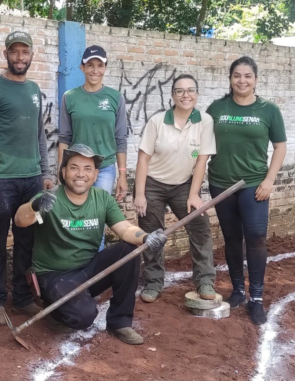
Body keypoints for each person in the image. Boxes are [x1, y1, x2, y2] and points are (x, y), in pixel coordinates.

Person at [14, 144, 167, 345]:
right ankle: (56, 309)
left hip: (88, 270)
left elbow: (125, 229)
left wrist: (146, 237)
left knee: (129, 250)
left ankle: (120, 322)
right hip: (55, 275)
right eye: (74, 167)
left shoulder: (102, 198)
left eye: (87, 169)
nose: (80, 174)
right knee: (83, 317)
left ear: (95, 175)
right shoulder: (49, 198)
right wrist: (35, 206)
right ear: (64, 171)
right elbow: (20, 220)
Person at [0, 31, 53, 326]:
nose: (20, 57)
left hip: (31, 179)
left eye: (24, 52)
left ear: (31, 55)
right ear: (6, 54)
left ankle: (22, 297)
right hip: (1, 179)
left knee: (27, 241)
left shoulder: (33, 90)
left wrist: (47, 171)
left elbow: (39, 134)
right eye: (14, 52)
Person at [206, 56, 286, 325]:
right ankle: (238, 291)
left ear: (255, 80)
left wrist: (269, 180)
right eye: (237, 75)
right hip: (221, 182)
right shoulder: (216, 108)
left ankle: (257, 298)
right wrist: (192, 157)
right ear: (230, 79)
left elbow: (280, 146)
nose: (242, 80)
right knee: (231, 237)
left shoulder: (268, 110)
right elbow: (200, 145)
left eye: (247, 76)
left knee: (255, 236)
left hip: (254, 184)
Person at [134, 74, 217, 303]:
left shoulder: (205, 121)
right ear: (172, 95)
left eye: (190, 90)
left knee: (200, 227)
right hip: (152, 184)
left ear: (197, 94)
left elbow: (201, 160)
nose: (185, 95)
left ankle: (205, 281)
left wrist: (193, 194)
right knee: (153, 235)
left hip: (183, 185)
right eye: (180, 91)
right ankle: (153, 282)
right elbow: (143, 159)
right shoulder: (158, 121)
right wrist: (140, 194)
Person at [57, 45, 128, 250]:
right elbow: (64, 137)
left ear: (105, 68)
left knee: (96, 218)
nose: (95, 70)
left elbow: (120, 138)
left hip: (104, 168)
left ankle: (96, 268)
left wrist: (122, 175)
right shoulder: (69, 97)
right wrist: (61, 171)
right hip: (76, 169)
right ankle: (76, 265)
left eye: (99, 65)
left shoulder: (115, 98)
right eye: (90, 65)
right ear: (82, 68)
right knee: (74, 217)